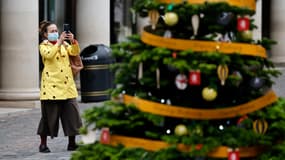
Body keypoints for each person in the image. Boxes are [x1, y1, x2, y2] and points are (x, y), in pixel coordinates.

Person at [37, 20, 83, 153]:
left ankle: (72, 143)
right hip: (52, 87)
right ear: (45, 35)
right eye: (52, 31)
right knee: (48, 118)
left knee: (72, 116)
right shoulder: (43, 46)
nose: (56, 33)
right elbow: (49, 55)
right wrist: (59, 42)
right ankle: (43, 144)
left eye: (56, 31)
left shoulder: (64, 45)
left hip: (67, 86)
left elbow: (74, 52)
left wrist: (73, 41)